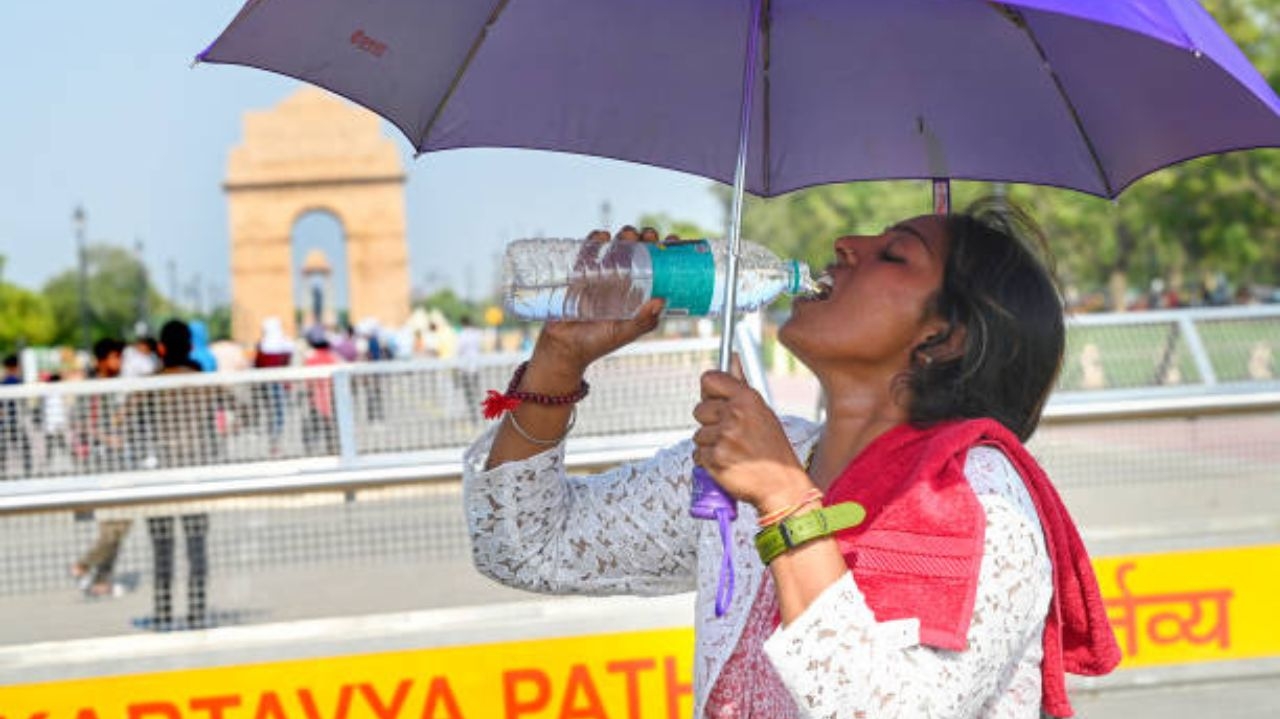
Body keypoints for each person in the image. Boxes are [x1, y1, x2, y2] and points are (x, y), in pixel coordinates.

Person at [464, 201, 1120, 718]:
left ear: (941, 337)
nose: (846, 246)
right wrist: (559, 359)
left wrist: (784, 498)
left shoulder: (976, 494)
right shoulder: (763, 459)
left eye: (893, 254)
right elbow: (527, 547)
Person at [135, 320, 215, 629]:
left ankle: (164, 613)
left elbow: (119, 420)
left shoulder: (150, 384)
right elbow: (246, 411)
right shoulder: (203, 381)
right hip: (195, 474)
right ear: (191, 347)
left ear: (162, 348)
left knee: (162, 550)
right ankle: (197, 612)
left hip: (160, 477)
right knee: (197, 549)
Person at [69, 338, 135, 597]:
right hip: (102, 467)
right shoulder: (93, 389)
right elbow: (82, 423)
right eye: (114, 357)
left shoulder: (116, 386)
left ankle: (101, 580)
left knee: (122, 525)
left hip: (120, 464)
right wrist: (111, 439)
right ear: (101, 360)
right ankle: (83, 565)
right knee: (113, 527)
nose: (118, 363)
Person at [253, 317, 294, 455]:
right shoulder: (285, 344)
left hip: (268, 384)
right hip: (280, 383)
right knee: (278, 414)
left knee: (273, 413)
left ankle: (274, 442)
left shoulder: (263, 345)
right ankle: (276, 442)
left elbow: (257, 365)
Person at [301, 326, 340, 455]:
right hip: (331, 398)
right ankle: (333, 451)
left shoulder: (310, 359)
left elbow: (307, 382)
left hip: (316, 399)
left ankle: (313, 453)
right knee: (331, 428)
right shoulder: (332, 357)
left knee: (315, 428)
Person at [0, 354, 32, 477]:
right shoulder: (17, 381)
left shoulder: (3, 382)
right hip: (14, 419)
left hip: (3, 420)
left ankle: (2, 472)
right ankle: (27, 471)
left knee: (3, 448)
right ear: (16, 366)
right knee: (24, 446)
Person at [455, 316, 483, 420]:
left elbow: (458, 350)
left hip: (465, 368)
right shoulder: (476, 334)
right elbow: (480, 347)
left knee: (468, 392)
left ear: (462, 324)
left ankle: (473, 413)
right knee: (476, 390)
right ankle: (479, 411)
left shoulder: (462, 335)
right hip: (475, 366)